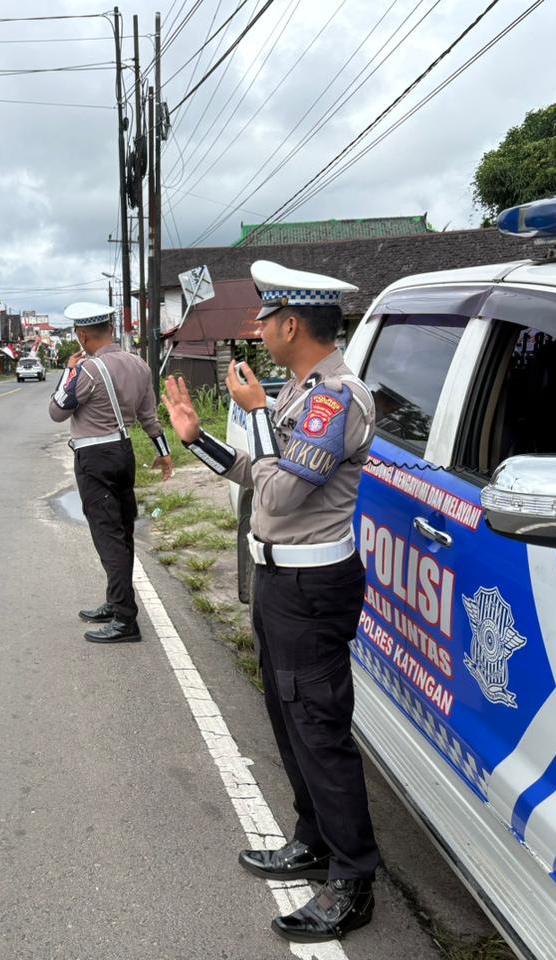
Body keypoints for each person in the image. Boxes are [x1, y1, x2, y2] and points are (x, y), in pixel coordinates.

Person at [162, 261, 380, 943]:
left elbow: (281, 493)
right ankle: (313, 838)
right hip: (280, 581)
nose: (256, 329)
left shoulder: (335, 398)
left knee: (318, 727)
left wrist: (257, 416)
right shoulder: (299, 393)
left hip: (312, 586)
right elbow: (258, 472)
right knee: (288, 719)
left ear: (292, 324)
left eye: (265, 317)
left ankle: (351, 879)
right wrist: (198, 439)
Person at [50, 302, 172, 644]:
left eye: (77, 335)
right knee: (122, 532)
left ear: (83, 335)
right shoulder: (140, 365)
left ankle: (124, 619)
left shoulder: (88, 369)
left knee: (108, 536)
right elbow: (150, 417)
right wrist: (164, 454)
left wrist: (68, 372)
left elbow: (57, 411)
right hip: (124, 452)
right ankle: (114, 601)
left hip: (95, 457)